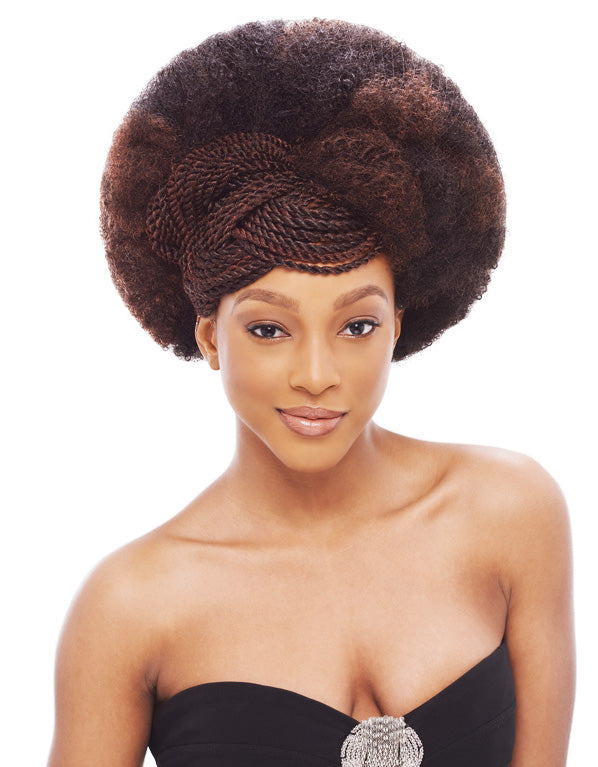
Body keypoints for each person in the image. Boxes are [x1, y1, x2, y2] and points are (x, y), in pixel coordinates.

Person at [47, 18, 575, 767]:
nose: (318, 373)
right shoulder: (130, 608)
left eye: (357, 325)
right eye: (269, 329)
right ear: (210, 338)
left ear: (398, 324)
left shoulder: (511, 514)